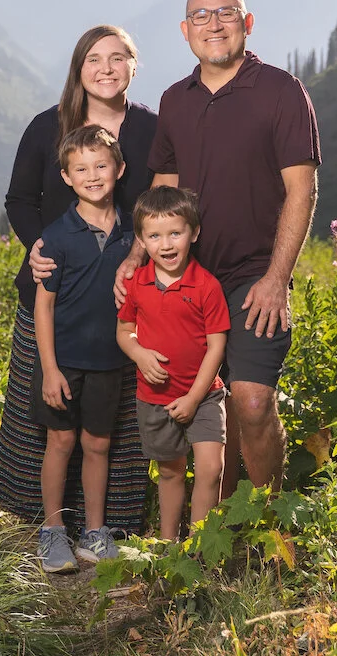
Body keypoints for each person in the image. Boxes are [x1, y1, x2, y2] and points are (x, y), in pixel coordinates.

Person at [117, 0, 319, 497]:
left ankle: (271, 520)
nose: (215, 24)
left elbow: (302, 190)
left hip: (254, 277)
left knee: (251, 402)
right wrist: (138, 256)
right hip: (189, 277)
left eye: (226, 13)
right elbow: (163, 185)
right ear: (186, 32)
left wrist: (278, 279)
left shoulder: (281, 91)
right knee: (209, 402)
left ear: (247, 24)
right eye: (201, 17)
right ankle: (221, 528)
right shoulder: (174, 100)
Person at [0, 25, 155, 535]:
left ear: (134, 65)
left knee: (113, 425)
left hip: (124, 294)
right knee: (49, 415)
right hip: (53, 287)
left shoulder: (152, 130)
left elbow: (163, 201)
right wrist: (40, 246)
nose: (105, 69)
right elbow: (19, 200)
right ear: (78, 68)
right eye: (93, 59)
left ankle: (106, 522)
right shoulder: (48, 127)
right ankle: (42, 520)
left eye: (117, 58)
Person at [30, 125, 134, 572]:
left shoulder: (134, 231)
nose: (93, 175)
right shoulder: (56, 237)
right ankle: (52, 532)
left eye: (101, 166)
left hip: (109, 362)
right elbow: (44, 308)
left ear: (120, 169)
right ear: (66, 177)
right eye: (81, 169)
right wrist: (49, 370)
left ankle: (95, 531)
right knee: (61, 441)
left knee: (97, 443)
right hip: (64, 362)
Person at [117, 186, 230, 540]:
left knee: (211, 469)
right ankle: (168, 546)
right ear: (142, 239)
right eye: (154, 235)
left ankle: (198, 548)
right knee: (171, 472)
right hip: (155, 398)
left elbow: (216, 347)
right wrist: (138, 353)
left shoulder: (206, 286)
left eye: (175, 233)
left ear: (193, 233)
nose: (166, 245)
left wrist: (196, 398)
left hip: (204, 396)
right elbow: (124, 331)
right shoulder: (138, 283)